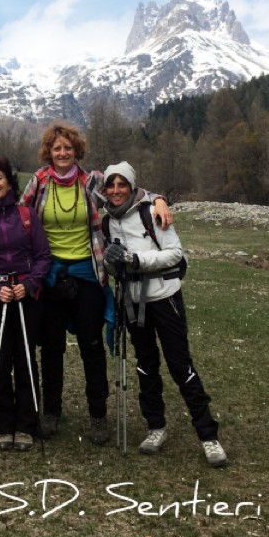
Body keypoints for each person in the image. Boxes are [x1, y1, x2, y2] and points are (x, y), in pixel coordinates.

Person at [20, 122, 171, 445]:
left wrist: (158, 199)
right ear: (49, 152)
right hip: (49, 275)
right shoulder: (39, 181)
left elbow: (129, 192)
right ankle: (51, 411)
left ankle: (98, 416)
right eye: (57, 148)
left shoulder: (92, 182)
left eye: (68, 148)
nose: (62, 153)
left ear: (77, 152)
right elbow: (20, 217)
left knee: (91, 347)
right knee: (51, 347)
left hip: (88, 273)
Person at [101, 161, 227, 467]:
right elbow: (111, 263)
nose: (116, 191)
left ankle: (208, 436)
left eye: (122, 185)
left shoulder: (151, 213)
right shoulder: (107, 221)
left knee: (180, 365)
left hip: (164, 297)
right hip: (132, 300)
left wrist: (134, 259)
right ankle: (155, 427)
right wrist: (110, 259)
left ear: (132, 187)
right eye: (111, 186)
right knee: (146, 365)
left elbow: (175, 253)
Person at [0, 156, 51, 451]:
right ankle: (2, 423)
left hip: (27, 294)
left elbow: (43, 256)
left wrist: (28, 285)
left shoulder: (26, 215)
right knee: (0, 357)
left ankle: (27, 423)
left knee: (25, 357)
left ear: (9, 182)